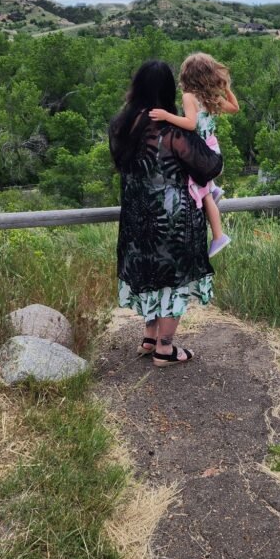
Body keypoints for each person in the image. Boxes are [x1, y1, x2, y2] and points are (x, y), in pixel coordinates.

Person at [109, 60, 223, 366]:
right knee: (173, 281)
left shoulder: (120, 124)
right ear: (168, 89)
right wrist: (209, 136)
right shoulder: (173, 129)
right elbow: (210, 166)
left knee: (148, 274)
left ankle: (149, 339)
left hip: (136, 217)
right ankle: (165, 349)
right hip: (174, 219)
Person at [149, 52, 239, 257]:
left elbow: (190, 124)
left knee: (204, 195)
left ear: (187, 76)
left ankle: (218, 236)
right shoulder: (211, 97)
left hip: (201, 153)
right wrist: (226, 89)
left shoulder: (189, 97)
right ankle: (214, 189)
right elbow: (235, 108)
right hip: (213, 149)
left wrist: (166, 116)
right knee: (205, 188)